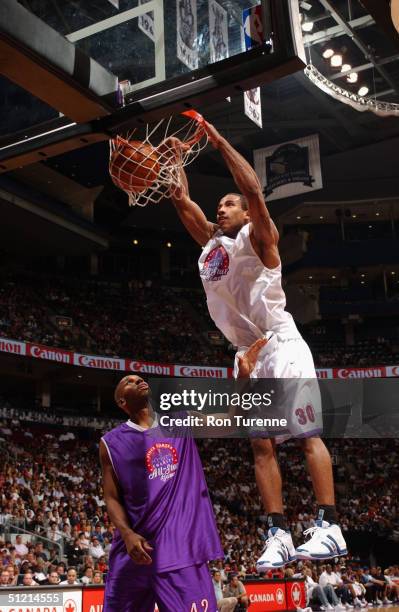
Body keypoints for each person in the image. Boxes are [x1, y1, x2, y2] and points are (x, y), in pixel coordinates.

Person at [170, 119, 347, 569]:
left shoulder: (260, 236)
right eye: (221, 204)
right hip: (249, 355)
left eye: (231, 204)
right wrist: (173, 160)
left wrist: (217, 139)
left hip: (282, 343)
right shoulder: (213, 249)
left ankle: (329, 525)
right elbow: (181, 201)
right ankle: (279, 533)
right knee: (261, 445)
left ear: (247, 213)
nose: (224, 207)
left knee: (307, 435)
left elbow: (252, 190)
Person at [101, 340, 264, 612]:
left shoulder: (180, 419)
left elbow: (232, 422)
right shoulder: (110, 443)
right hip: (134, 551)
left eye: (140, 378)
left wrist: (244, 379)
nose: (138, 380)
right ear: (121, 401)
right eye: (129, 381)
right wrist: (127, 533)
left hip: (182, 549)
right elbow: (111, 496)